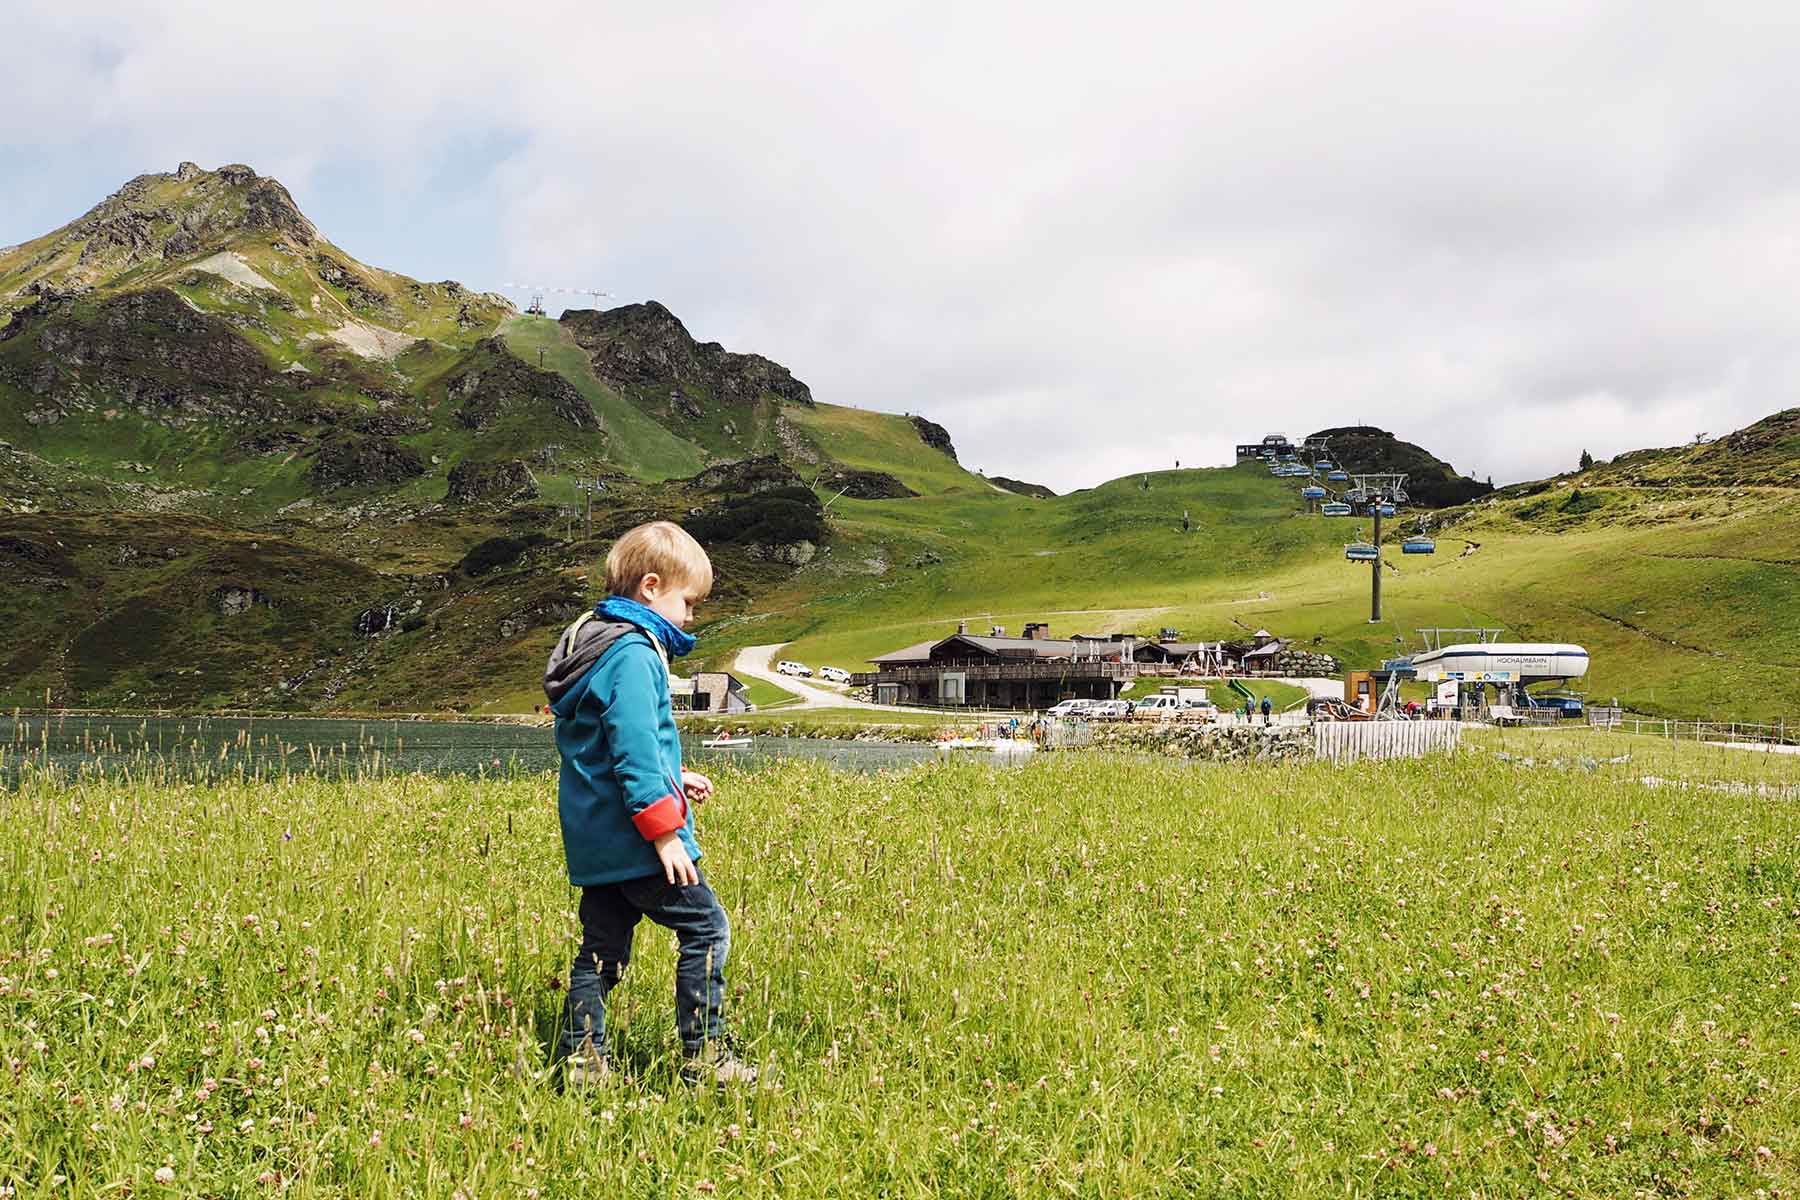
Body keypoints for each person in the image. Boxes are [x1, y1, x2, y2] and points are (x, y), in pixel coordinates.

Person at [542, 520, 756, 1088]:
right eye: (688, 602)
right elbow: (635, 746)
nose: (691, 617)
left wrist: (674, 774)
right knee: (707, 929)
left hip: (597, 842)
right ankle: (705, 1057)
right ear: (652, 587)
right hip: (641, 841)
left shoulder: (593, 645)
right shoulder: (634, 653)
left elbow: (609, 743)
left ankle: (581, 1063)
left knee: (603, 953)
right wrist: (664, 829)